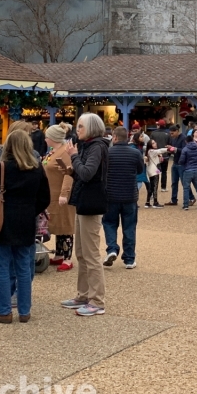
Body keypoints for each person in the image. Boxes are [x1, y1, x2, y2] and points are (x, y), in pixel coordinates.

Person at [0, 126, 51, 324]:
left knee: (1, 266)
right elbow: (45, 197)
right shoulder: (36, 167)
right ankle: (24, 311)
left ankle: (4, 311)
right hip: (26, 220)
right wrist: (30, 210)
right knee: (24, 267)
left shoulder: (2, 166)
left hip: (2, 220)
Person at [61, 113, 110, 317]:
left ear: (90, 128)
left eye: (80, 126)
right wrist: (70, 168)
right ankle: (83, 294)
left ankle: (97, 300)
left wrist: (73, 156)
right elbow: (82, 172)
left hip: (92, 202)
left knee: (91, 254)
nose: (77, 129)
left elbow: (88, 173)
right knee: (81, 253)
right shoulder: (88, 146)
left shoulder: (97, 146)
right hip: (82, 201)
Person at [104, 126, 142, 268]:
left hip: (111, 195)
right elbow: (139, 170)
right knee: (129, 227)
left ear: (114, 137)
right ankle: (129, 258)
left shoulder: (107, 153)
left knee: (109, 223)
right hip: (129, 195)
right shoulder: (135, 153)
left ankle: (112, 248)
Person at [43, 123, 76, 272]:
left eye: (47, 136)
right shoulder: (53, 151)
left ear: (53, 138)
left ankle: (68, 258)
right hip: (51, 194)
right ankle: (59, 254)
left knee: (65, 226)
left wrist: (64, 194)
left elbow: (68, 174)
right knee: (57, 225)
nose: (45, 139)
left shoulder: (63, 154)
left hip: (61, 196)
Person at [178, 128, 197, 210]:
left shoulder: (185, 149)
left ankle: (186, 205)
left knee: (186, 188)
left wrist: (182, 163)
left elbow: (182, 160)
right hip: (196, 169)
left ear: (186, 141)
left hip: (188, 170)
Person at [165, 126, 189, 206]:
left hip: (181, 163)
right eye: (170, 133)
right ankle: (173, 199)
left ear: (177, 131)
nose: (171, 135)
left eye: (172, 133)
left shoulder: (183, 138)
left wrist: (174, 149)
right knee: (174, 182)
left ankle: (191, 197)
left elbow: (184, 150)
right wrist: (169, 150)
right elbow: (174, 149)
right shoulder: (173, 139)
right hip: (175, 162)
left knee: (184, 182)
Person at [144, 139, 167, 208]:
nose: (155, 144)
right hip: (154, 170)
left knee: (151, 186)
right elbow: (160, 150)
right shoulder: (152, 151)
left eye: (155, 142)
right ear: (150, 145)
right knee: (155, 186)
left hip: (152, 170)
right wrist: (168, 149)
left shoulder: (150, 151)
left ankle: (147, 202)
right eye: (153, 143)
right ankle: (155, 202)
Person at [150, 120, 171, 191]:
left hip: (156, 155)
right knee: (164, 172)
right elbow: (170, 145)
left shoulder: (153, 133)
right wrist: (168, 154)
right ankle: (163, 187)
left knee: (156, 172)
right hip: (165, 155)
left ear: (159, 125)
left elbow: (150, 144)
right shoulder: (167, 134)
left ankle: (154, 187)